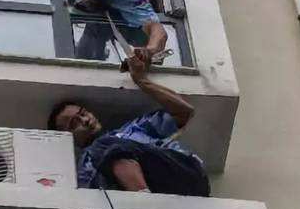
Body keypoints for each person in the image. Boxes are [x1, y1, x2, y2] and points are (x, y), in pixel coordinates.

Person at [48, 53, 210, 196]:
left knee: (104, 145)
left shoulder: (134, 129)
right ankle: (142, 201)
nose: (85, 120)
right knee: (101, 149)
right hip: (165, 193)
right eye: (74, 123)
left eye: (83, 113)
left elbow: (184, 111)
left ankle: (143, 200)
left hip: (186, 174)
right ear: (68, 138)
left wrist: (141, 81)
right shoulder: (84, 171)